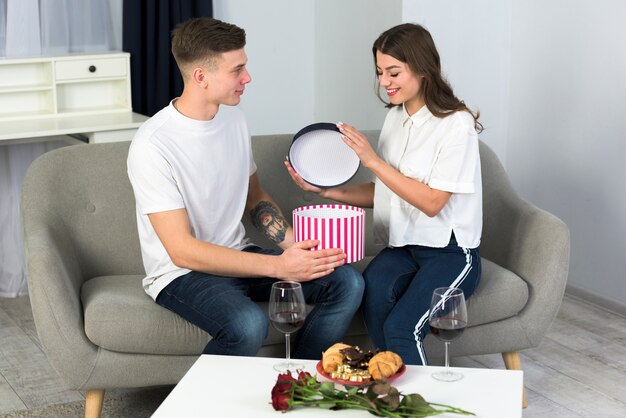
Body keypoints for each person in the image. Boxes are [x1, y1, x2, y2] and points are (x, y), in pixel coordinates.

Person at [127, 17, 364, 360]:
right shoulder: (154, 144)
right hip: (181, 275)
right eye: (237, 70)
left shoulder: (234, 119)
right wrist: (280, 267)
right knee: (247, 323)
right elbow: (182, 251)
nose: (247, 78)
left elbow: (255, 198)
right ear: (201, 77)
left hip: (240, 256)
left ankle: (299, 379)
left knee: (347, 283)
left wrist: (298, 248)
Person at [286, 23, 482, 365]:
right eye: (379, 72)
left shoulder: (456, 124)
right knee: (376, 311)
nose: (384, 82)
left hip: (450, 251)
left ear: (422, 68)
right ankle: (384, 392)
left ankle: (413, 406)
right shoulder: (395, 118)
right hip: (403, 246)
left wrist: (372, 161)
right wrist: (327, 190)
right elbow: (387, 192)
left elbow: (433, 203)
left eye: (394, 72)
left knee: (402, 328)